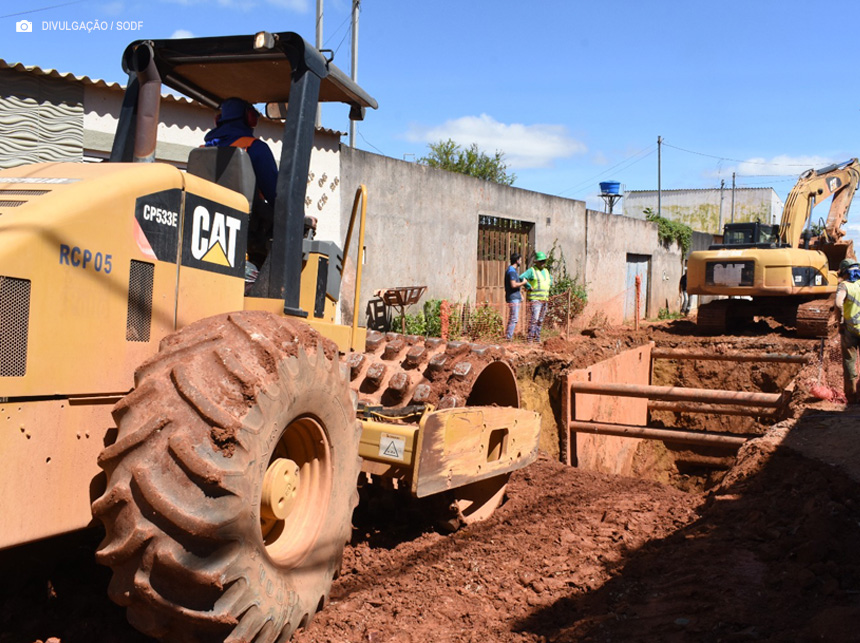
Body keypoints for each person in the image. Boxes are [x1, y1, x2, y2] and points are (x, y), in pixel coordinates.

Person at [204, 97, 278, 265]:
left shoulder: (203, 151)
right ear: (250, 118)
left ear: (219, 120)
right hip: (247, 235)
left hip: (207, 231)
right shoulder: (254, 148)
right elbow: (276, 195)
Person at [836, 258, 860, 403]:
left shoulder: (844, 286)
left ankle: (852, 396)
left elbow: (838, 303)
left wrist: (841, 323)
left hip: (850, 330)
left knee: (849, 362)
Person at [520, 251, 553, 343]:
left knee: (540, 320)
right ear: (536, 262)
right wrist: (528, 286)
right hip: (535, 299)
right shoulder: (532, 271)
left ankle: (537, 338)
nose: (543, 263)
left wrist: (549, 283)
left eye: (544, 261)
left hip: (544, 299)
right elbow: (521, 277)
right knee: (534, 319)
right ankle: (530, 338)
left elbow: (550, 279)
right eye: (541, 261)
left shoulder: (546, 271)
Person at [504, 252, 529, 340]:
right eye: (520, 260)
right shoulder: (511, 271)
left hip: (515, 297)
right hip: (513, 298)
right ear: (517, 261)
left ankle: (508, 336)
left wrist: (520, 294)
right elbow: (513, 285)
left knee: (513, 317)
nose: (521, 262)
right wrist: (524, 283)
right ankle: (508, 337)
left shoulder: (513, 271)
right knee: (514, 318)